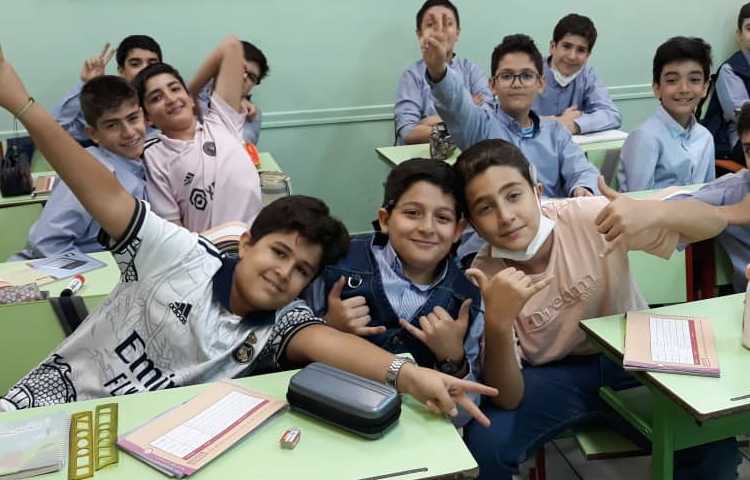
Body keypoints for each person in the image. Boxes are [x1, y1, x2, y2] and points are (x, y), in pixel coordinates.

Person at [0, 46, 497, 424]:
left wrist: (411, 375)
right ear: (247, 243)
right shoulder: (178, 253)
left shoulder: (280, 321)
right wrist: (21, 104)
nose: (284, 273)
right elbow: (100, 189)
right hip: (41, 416)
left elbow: (329, 343)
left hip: (146, 442)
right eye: (279, 252)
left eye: (301, 270)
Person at [451, 138, 739, 479]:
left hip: (631, 356)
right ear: (471, 224)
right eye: (485, 208)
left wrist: (655, 211)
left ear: (537, 191)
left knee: (713, 444)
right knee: (486, 446)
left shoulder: (589, 217)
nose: (506, 216)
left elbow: (713, 222)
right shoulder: (483, 277)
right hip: (552, 376)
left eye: (514, 195)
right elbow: (509, 398)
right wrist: (499, 324)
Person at [307, 158, 525, 423]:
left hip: (415, 430)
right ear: (385, 219)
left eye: (442, 218)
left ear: (458, 230)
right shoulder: (338, 263)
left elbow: (462, 416)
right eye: (412, 213)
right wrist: (327, 325)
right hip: (324, 413)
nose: (427, 228)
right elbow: (285, 350)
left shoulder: (467, 300)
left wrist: (452, 359)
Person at [420, 15, 599, 198]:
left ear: (540, 84)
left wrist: (583, 189)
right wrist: (438, 69)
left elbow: (582, 171)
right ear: (492, 85)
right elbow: (455, 101)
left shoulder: (556, 133)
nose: (517, 84)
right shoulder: (479, 126)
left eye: (526, 76)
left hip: (552, 213)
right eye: (507, 76)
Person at [135, 37, 261, 232]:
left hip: (259, 235)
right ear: (148, 118)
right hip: (213, 247)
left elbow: (231, 46)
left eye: (175, 89)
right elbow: (174, 232)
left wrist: (191, 92)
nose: (170, 99)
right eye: (156, 98)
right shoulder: (154, 157)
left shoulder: (221, 121)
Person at [13, 76, 147, 259]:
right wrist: (108, 271)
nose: (129, 132)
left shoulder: (145, 160)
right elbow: (45, 244)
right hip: (50, 270)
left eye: (133, 118)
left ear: (143, 116)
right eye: (112, 125)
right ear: (93, 134)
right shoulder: (94, 171)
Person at [618, 37, 715, 192]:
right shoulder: (645, 138)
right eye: (672, 80)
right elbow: (638, 200)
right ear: (657, 88)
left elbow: (710, 193)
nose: (684, 89)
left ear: (705, 88)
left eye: (694, 80)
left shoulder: (705, 137)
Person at [394, 0, 492, 145]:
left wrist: (427, 122)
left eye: (448, 24)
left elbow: (486, 121)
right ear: (420, 34)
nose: (440, 31)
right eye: (430, 24)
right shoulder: (412, 76)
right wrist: (465, 111)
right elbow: (408, 132)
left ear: (457, 33)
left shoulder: (472, 71)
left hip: (470, 154)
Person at [53, 35, 162, 144]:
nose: (144, 69)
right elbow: (56, 131)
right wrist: (88, 84)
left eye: (152, 64)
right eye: (135, 64)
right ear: (121, 71)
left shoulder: (169, 101)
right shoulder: (106, 104)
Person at [533, 13, 622, 134]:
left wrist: (574, 125)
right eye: (566, 46)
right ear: (553, 47)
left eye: (581, 50)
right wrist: (557, 122)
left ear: (588, 55)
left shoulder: (588, 75)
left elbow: (612, 115)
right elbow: (513, 120)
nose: (572, 56)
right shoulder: (529, 72)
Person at [702, 2, 750, 162]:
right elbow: (744, 117)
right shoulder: (729, 70)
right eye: (749, 28)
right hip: (741, 143)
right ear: (739, 34)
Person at [197, 40, 269, 145]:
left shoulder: (253, 115)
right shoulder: (190, 98)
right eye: (239, 68)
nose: (244, 77)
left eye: (251, 77)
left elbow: (245, 150)